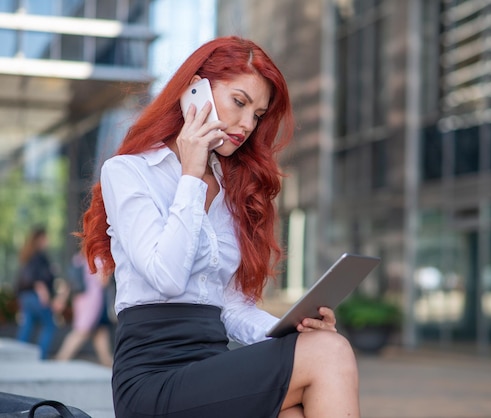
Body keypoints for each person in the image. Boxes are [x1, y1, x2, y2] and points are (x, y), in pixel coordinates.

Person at [78, 36, 360, 418]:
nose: (246, 124)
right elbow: (167, 277)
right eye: (239, 102)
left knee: (295, 403)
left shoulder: (230, 191)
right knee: (331, 353)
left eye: (257, 114)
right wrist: (191, 176)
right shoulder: (128, 172)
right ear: (194, 90)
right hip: (152, 377)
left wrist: (293, 330)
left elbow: (227, 304)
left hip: (211, 366)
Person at [55, 252, 114, 367]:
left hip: (80, 300)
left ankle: (109, 364)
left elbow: (70, 281)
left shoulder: (79, 258)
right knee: (81, 332)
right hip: (93, 301)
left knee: (100, 333)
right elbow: (104, 281)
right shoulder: (98, 259)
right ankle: (60, 361)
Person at [15, 226, 63, 359]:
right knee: (49, 325)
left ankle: (18, 356)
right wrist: (45, 295)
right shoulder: (39, 257)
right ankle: (40, 357)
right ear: (40, 239)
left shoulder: (28, 256)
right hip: (36, 296)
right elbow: (37, 280)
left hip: (25, 297)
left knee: (28, 326)